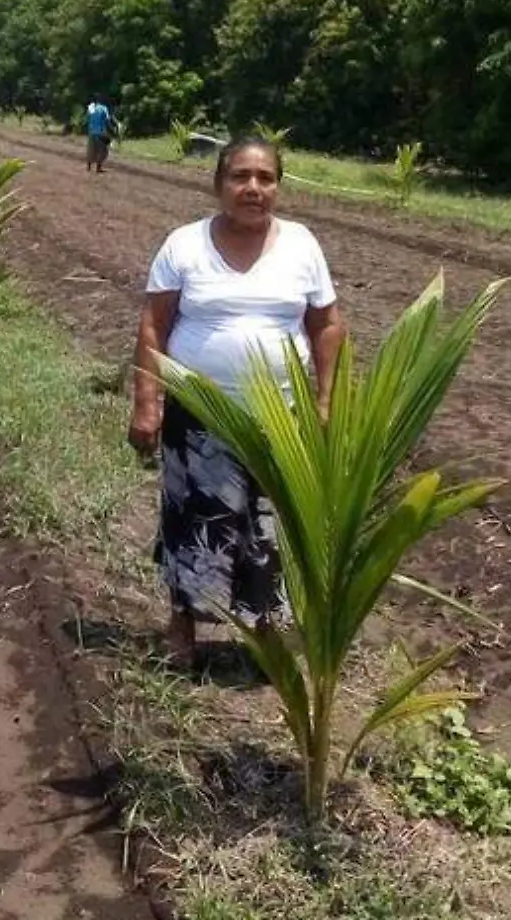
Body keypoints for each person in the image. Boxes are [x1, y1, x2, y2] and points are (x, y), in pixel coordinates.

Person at [126, 135, 346, 667]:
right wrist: (147, 404)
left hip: (279, 417)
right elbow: (154, 326)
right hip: (198, 415)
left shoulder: (301, 245)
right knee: (191, 519)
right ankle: (183, 626)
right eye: (240, 177)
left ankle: (263, 629)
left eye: (265, 178)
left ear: (279, 186)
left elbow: (327, 327)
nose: (253, 188)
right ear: (219, 184)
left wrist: (323, 400)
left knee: (265, 524)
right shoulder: (184, 244)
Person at [85, 96, 114, 173]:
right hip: (101, 132)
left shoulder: (91, 107)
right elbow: (107, 120)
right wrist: (112, 129)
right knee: (103, 150)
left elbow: (88, 117)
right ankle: (98, 168)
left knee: (91, 149)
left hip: (91, 131)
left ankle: (88, 166)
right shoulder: (104, 108)